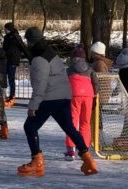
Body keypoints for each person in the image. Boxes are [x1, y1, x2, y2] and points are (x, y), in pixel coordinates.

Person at [18, 27, 97, 177]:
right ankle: (88, 160)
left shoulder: (39, 58)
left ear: (29, 42)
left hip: (50, 97)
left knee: (30, 126)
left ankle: (37, 161)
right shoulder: (50, 52)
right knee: (70, 128)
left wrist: (33, 105)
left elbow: (40, 83)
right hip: (64, 96)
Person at [65, 44, 98, 159]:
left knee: (72, 122)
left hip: (74, 95)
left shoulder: (69, 69)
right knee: (85, 122)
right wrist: (95, 94)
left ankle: (71, 150)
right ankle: (84, 149)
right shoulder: (90, 69)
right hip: (88, 95)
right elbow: (95, 82)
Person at [2, 22, 24, 106]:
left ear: (10, 29)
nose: (5, 31)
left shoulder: (14, 36)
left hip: (12, 61)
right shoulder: (7, 37)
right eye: (4, 29)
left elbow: (21, 46)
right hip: (7, 60)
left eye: (6, 29)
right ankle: (4, 95)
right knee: (4, 77)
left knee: (11, 78)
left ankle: (12, 95)